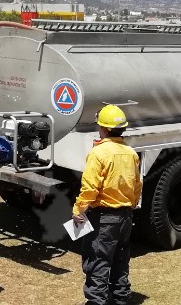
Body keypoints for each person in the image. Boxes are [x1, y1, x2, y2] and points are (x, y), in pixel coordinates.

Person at [71, 104, 142, 305]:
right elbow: (137, 185)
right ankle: (121, 299)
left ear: (103, 128)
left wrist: (79, 210)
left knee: (98, 262)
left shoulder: (99, 153)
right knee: (120, 261)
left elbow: (90, 188)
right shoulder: (131, 153)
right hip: (126, 217)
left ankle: (96, 302)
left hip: (104, 219)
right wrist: (131, 204)